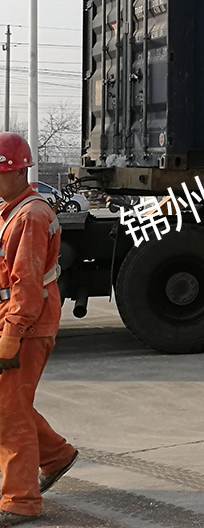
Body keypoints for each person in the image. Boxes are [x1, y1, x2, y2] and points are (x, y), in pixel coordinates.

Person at [0, 133, 79, 526]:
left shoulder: (29, 217)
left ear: (18, 172)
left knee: (8, 413)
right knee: (11, 404)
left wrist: (11, 336)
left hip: (27, 325)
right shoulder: (12, 210)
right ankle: (56, 456)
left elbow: (27, 285)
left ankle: (20, 501)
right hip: (19, 319)